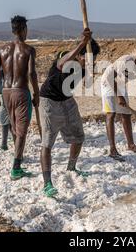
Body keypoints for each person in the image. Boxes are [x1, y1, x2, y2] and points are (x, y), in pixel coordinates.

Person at [38, 28, 100, 197]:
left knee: (79, 136)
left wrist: (87, 67)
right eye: (87, 59)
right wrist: (82, 43)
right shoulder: (66, 57)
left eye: (92, 60)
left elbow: (86, 84)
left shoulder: (85, 67)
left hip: (67, 101)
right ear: (80, 55)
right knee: (48, 142)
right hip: (49, 101)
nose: (90, 63)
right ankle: (47, 183)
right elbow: (62, 63)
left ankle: (72, 167)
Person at [0, 15, 40, 181]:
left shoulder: (2, 50)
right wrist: (37, 93)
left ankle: (17, 156)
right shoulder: (28, 50)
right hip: (20, 91)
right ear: (24, 29)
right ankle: (16, 167)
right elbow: (32, 73)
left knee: (14, 127)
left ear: (13, 30)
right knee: (22, 131)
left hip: (6, 91)